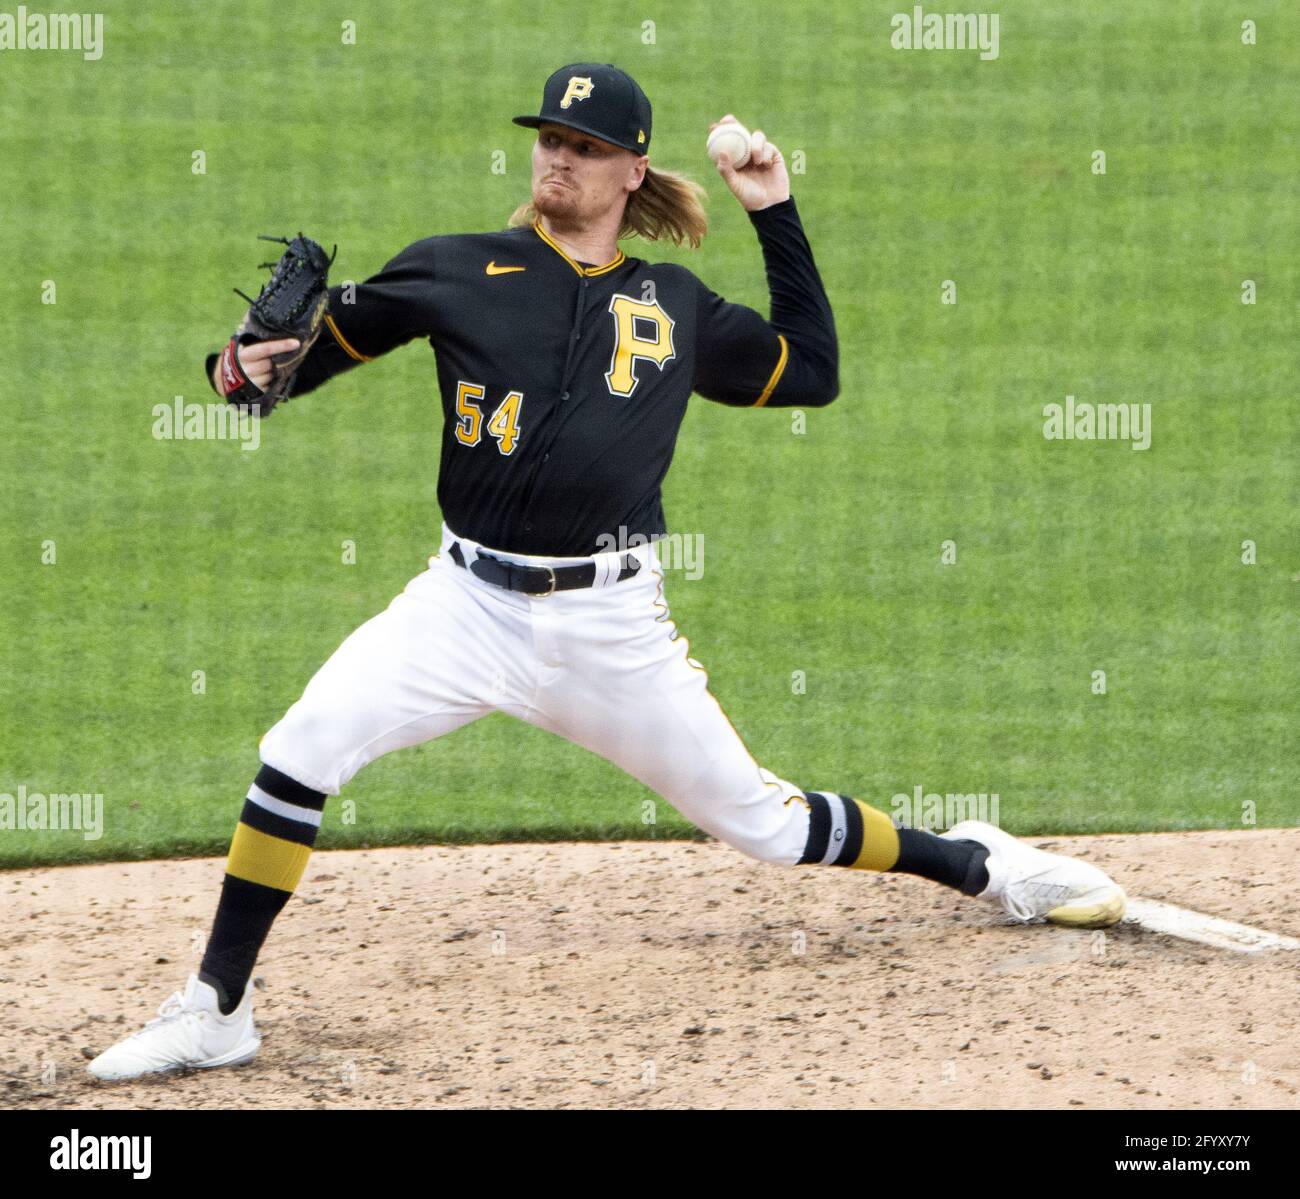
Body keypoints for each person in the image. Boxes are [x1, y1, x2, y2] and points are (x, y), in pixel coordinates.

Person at [88, 63, 1124, 1082]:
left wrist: (774, 208)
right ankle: (216, 1009)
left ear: (632, 169)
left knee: (764, 824)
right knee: (298, 749)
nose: (560, 159)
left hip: (610, 627)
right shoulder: (453, 267)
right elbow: (270, 378)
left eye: (584, 148)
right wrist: (240, 365)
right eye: (549, 140)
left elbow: (813, 373)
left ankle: (985, 863)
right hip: (462, 607)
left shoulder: (676, 303)